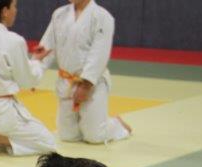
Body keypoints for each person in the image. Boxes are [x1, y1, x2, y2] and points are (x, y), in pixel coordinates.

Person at [0, 0, 56, 157]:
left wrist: (34, 59)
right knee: (48, 143)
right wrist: (38, 64)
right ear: (4, 11)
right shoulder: (14, 41)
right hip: (2, 113)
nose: (16, 10)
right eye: (14, 6)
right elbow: (27, 80)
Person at [37, 0, 132, 144]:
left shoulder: (102, 17)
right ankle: (93, 121)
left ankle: (117, 125)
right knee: (67, 136)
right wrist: (35, 69)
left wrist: (86, 85)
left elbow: (99, 53)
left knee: (95, 137)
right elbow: (47, 46)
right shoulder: (59, 14)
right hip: (67, 82)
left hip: (93, 83)